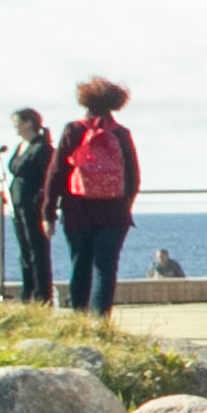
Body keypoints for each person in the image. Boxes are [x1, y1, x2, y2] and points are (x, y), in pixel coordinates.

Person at [51, 82, 144, 315]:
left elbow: (56, 172)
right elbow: (133, 177)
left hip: (76, 211)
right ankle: (99, 321)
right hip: (113, 214)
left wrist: (48, 210)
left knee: (79, 265)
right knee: (105, 269)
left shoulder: (73, 130)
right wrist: (124, 205)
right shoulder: (121, 134)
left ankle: (79, 318)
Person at [0, 106, 57, 300]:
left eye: (17, 123)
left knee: (37, 252)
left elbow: (48, 179)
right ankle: (28, 292)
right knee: (25, 252)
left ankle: (42, 295)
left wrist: (40, 204)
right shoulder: (21, 146)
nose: (15, 127)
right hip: (17, 205)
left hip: (33, 207)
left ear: (28, 123)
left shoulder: (42, 148)